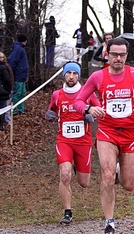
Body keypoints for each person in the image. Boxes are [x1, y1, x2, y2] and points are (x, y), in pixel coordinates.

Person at [73, 37, 134, 234]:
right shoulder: (97, 77)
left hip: (130, 133)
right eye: (114, 54)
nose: (118, 58)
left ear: (126, 56)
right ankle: (109, 223)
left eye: (122, 55)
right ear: (107, 55)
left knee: (129, 185)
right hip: (107, 132)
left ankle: (120, 170)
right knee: (107, 175)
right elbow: (78, 100)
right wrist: (89, 108)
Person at [45, 61, 100, 225]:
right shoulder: (57, 95)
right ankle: (67, 212)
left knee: (84, 183)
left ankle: (76, 167)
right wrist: (49, 116)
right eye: (68, 73)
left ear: (78, 76)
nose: (71, 76)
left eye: (75, 73)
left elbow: (100, 111)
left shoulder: (87, 93)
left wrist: (92, 116)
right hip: (64, 141)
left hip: (83, 142)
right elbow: (51, 112)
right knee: (65, 174)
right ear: (64, 75)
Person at [8, 34, 28, 115]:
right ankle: (12, 109)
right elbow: (12, 61)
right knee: (17, 93)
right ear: (25, 40)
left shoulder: (20, 48)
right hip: (18, 75)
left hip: (22, 75)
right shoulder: (18, 49)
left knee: (22, 93)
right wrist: (12, 74)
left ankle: (20, 110)